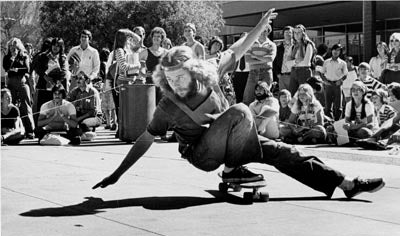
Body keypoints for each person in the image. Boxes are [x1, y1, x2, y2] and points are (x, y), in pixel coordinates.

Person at [93, 9, 385, 200]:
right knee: (241, 111)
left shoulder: (210, 71)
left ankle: (346, 184)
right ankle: (233, 168)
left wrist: (261, 24)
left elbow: (239, 47)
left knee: (287, 152)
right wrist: (116, 175)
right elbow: (145, 139)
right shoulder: (169, 105)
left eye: (180, 77)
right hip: (203, 154)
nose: (177, 84)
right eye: (170, 79)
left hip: (232, 136)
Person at [2, 37, 35, 139]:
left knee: (25, 106)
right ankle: (12, 128)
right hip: (11, 82)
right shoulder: (7, 57)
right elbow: (6, 68)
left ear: (19, 46)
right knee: (11, 104)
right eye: (11, 46)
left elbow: (26, 69)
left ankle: (30, 130)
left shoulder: (24, 56)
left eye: (15, 46)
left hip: (21, 82)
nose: (13, 48)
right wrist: (12, 61)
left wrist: (17, 69)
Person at [34, 37, 69, 125]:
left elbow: (64, 72)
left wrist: (56, 81)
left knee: (56, 108)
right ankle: (40, 129)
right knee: (43, 108)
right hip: (44, 86)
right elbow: (38, 68)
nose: (55, 47)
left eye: (58, 46)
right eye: (54, 45)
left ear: (61, 47)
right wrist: (45, 76)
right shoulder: (43, 56)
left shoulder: (62, 58)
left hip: (56, 87)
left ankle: (57, 126)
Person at [243, 24, 276, 105]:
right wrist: (263, 59)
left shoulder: (272, 45)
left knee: (266, 98)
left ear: (268, 32)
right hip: (253, 73)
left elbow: (270, 59)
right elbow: (247, 60)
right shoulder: (251, 43)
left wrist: (254, 56)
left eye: (265, 31)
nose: (262, 33)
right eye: (261, 30)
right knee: (248, 98)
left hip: (266, 73)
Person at [68, 72, 102, 141]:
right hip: (80, 115)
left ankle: (87, 133)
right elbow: (67, 103)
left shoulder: (92, 92)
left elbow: (93, 112)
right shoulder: (75, 91)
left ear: (87, 81)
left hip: (95, 117)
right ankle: (81, 134)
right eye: (77, 78)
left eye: (80, 78)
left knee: (83, 123)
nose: (78, 80)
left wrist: (78, 119)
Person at [140, 27, 168, 103]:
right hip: (150, 84)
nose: (156, 38)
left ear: (162, 38)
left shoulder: (166, 52)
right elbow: (135, 63)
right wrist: (143, 74)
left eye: (158, 36)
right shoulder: (145, 52)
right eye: (154, 36)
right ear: (152, 38)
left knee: (162, 109)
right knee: (150, 109)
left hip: (163, 86)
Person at [321, 44, 348, 121]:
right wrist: (325, 81)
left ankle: (337, 122)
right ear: (331, 50)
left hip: (337, 85)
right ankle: (329, 122)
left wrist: (341, 80)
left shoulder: (343, 63)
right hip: (328, 84)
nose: (336, 52)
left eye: (338, 50)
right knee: (327, 106)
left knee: (338, 107)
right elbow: (322, 73)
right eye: (334, 49)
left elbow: (346, 74)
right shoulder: (326, 62)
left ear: (340, 52)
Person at [288, 24, 316, 96]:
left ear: (303, 33)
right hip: (294, 71)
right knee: (292, 94)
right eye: (295, 32)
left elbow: (306, 62)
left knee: (305, 94)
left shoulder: (308, 45)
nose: (297, 34)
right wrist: (296, 61)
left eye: (299, 32)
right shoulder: (293, 46)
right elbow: (287, 63)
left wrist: (293, 62)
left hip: (304, 71)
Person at [99, 48, 117, 131]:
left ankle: (108, 123)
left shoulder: (102, 64)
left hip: (105, 84)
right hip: (112, 84)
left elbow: (102, 75)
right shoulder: (112, 64)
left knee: (106, 106)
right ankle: (115, 122)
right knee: (112, 106)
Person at [273, 26, 294, 92]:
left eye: (290, 32)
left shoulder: (296, 46)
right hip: (282, 76)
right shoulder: (278, 48)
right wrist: (278, 74)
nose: (288, 34)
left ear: (293, 34)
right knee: (283, 96)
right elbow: (275, 61)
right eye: (286, 32)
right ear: (283, 34)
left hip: (293, 75)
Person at [231, 32, 250, 103]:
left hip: (248, 73)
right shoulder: (236, 48)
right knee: (238, 93)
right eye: (242, 38)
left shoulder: (250, 48)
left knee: (247, 94)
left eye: (245, 37)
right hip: (237, 73)